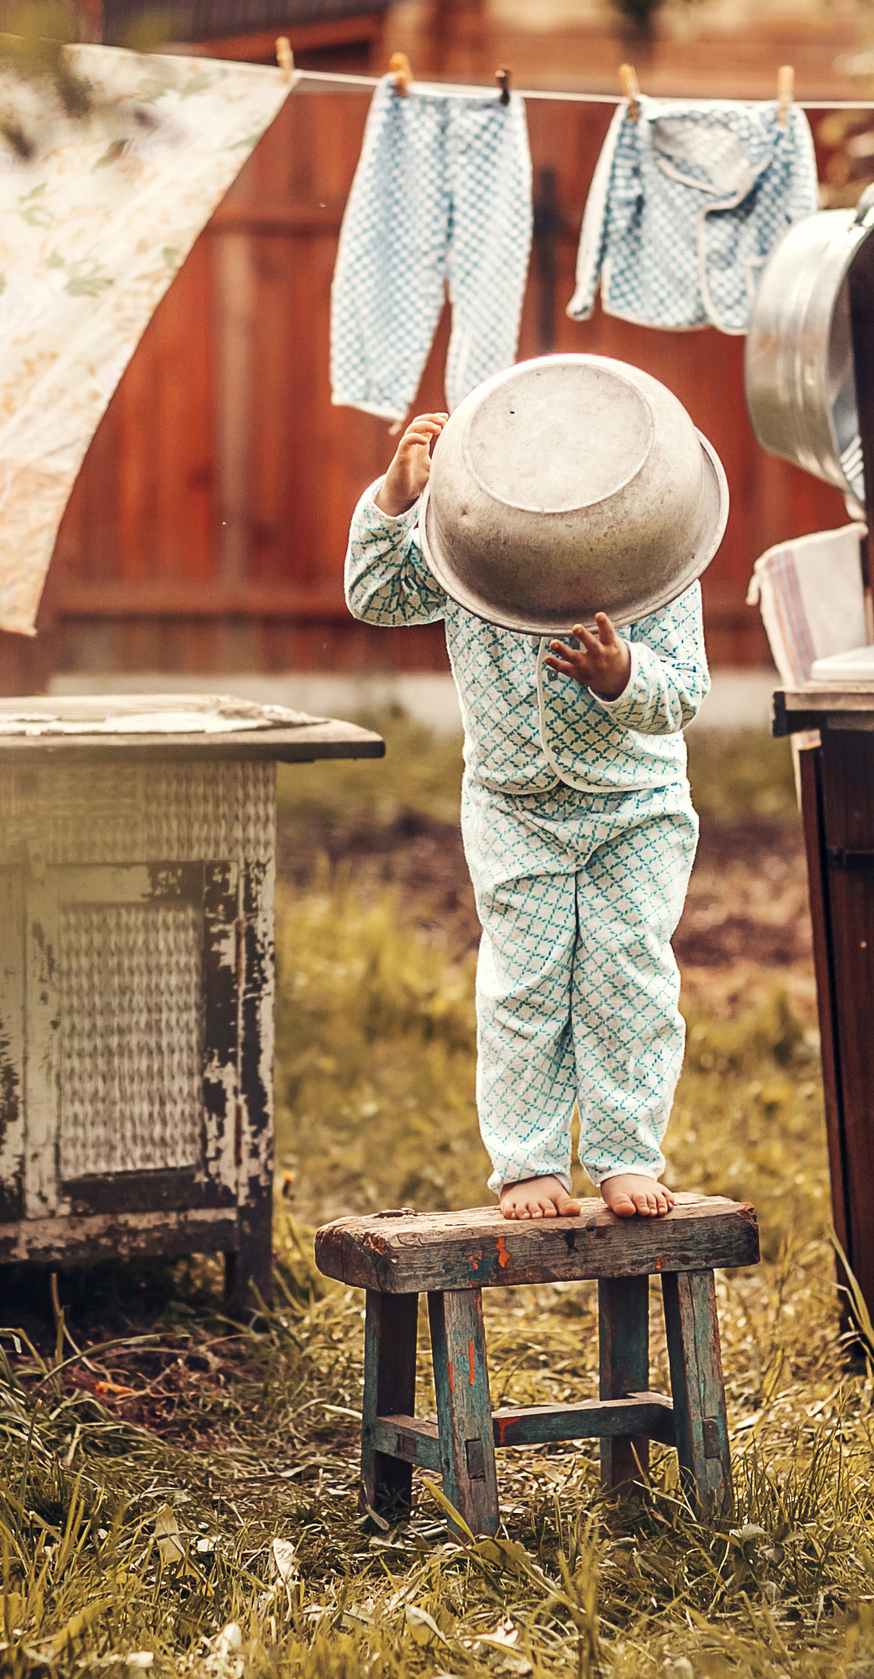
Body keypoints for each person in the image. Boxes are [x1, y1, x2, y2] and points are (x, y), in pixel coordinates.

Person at [345, 409, 708, 1221]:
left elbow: (682, 689)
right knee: (526, 986)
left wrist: (622, 674)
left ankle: (624, 1153)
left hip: (635, 809)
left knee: (628, 977)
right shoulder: (471, 548)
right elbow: (373, 596)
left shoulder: (652, 554)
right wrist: (396, 500)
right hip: (515, 808)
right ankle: (528, 1162)